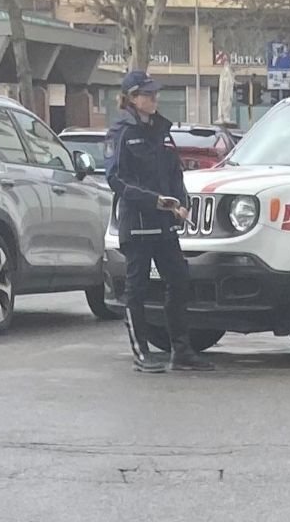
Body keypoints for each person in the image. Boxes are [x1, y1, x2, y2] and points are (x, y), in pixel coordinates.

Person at [105, 70, 214, 373]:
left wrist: (182, 201)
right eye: (148, 94)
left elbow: (174, 173)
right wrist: (154, 200)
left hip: (165, 225)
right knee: (136, 289)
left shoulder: (161, 130)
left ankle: (181, 351)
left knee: (179, 281)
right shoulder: (121, 132)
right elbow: (116, 179)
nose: (154, 99)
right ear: (132, 98)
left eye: (155, 94)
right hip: (138, 224)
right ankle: (141, 352)